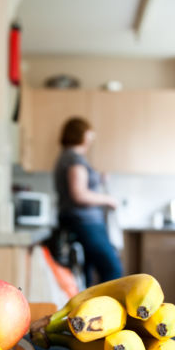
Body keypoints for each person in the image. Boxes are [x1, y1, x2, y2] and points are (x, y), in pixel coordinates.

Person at [54, 117, 123, 287]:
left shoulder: (67, 157)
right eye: (90, 134)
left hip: (77, 222)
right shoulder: (74, 159)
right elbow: (79, 194)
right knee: (112, 269)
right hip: (85, 223)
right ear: (82, 135)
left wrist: (98, 178)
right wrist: (109, 200)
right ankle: (108, 312)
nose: (92, 139)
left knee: (86, 276)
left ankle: (90, 312)